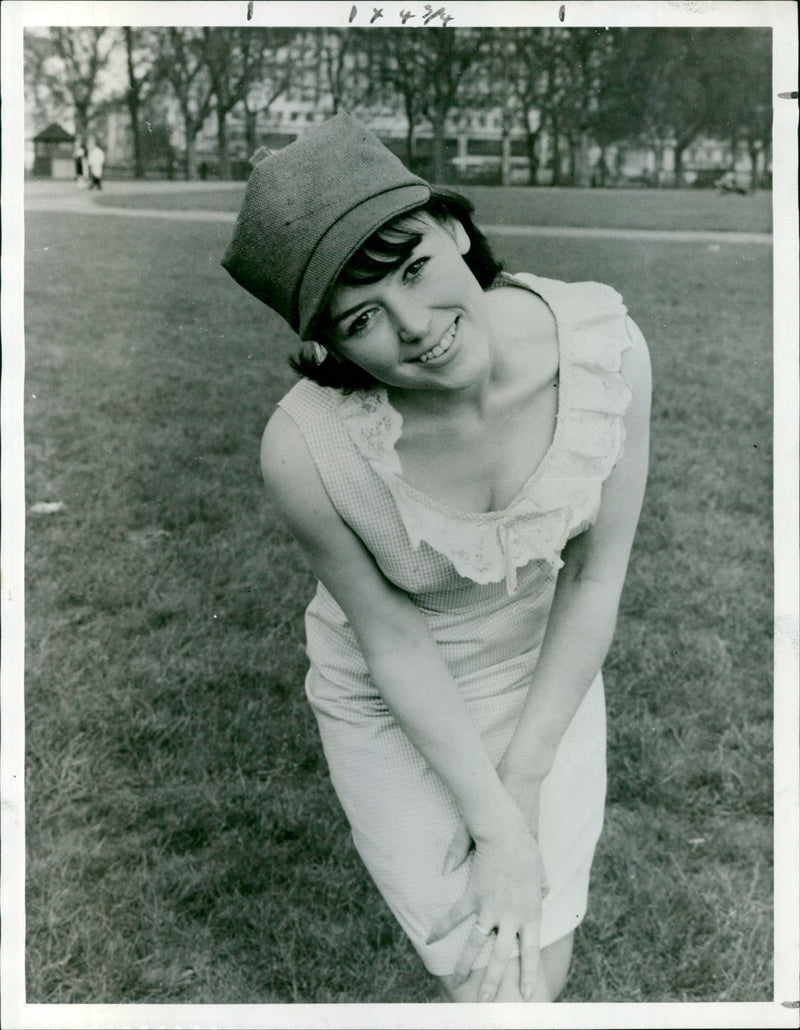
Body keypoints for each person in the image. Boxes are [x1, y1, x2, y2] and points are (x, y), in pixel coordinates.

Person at [222, 114, 651, 1003]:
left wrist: (524, 783)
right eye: (364, 317)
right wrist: (494, 826)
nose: (417, 329)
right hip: (394, 694)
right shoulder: (309, 450)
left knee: (540, 961)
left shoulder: (605, 349)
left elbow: (594, 575)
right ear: (326, 345)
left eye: (416, 268)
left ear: (453, 229)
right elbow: (393, 640)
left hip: (545, 673)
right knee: (488, 970)